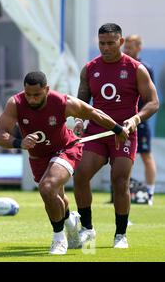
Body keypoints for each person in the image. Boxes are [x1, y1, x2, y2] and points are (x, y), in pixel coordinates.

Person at [0, 71, 129, 255]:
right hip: (38, 157)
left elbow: (93, 113)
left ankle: (59, 239)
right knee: (55, 195)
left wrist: (117, 128)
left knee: (47, 187)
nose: (32, 100)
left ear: (47, 90)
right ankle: (70, 222)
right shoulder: (15, 104)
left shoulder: (62, 102)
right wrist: (19, 142)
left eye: (37, 95)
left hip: (66, 149)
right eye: (28, 95)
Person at [73, 23, 159, 249]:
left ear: (121, 42)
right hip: (96, 133)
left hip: (124, 133)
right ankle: (87, 229)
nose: (105, 47)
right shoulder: (90, 69)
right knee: (80, 175)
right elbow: (81, 103)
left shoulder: (135, 68)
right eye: (102, 43)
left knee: (119, 181)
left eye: (111, 43)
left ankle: (120, 235)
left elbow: (153, 102)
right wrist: (80, 121)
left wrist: (135, 120)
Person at [123, 34, 157, 205]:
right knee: (123, 157)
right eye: (125, 46)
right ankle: (121, 193)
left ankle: (149, 193)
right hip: (122, 121)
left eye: (130, 47)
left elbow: (150, 99)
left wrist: (138, 118)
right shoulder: (120, 66)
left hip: (139, 121)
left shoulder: (144, 68)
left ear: (139, 48)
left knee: (145, 156)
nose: (126, 50)